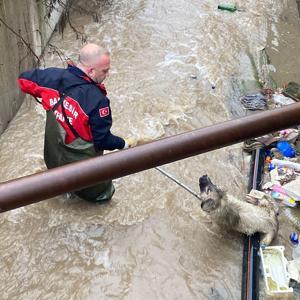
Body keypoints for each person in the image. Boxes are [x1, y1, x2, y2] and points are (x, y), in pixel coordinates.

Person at [18, 43, 136, 203]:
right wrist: (124, 144)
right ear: (91, 71)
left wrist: (48, 98)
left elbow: (23, 79)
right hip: (83, 173)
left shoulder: (53, 77)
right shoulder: (98, 101)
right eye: (105, 70)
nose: (108, 74)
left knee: (59, 192)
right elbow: (103, 141)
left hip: (54, 160)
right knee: (103, 200)